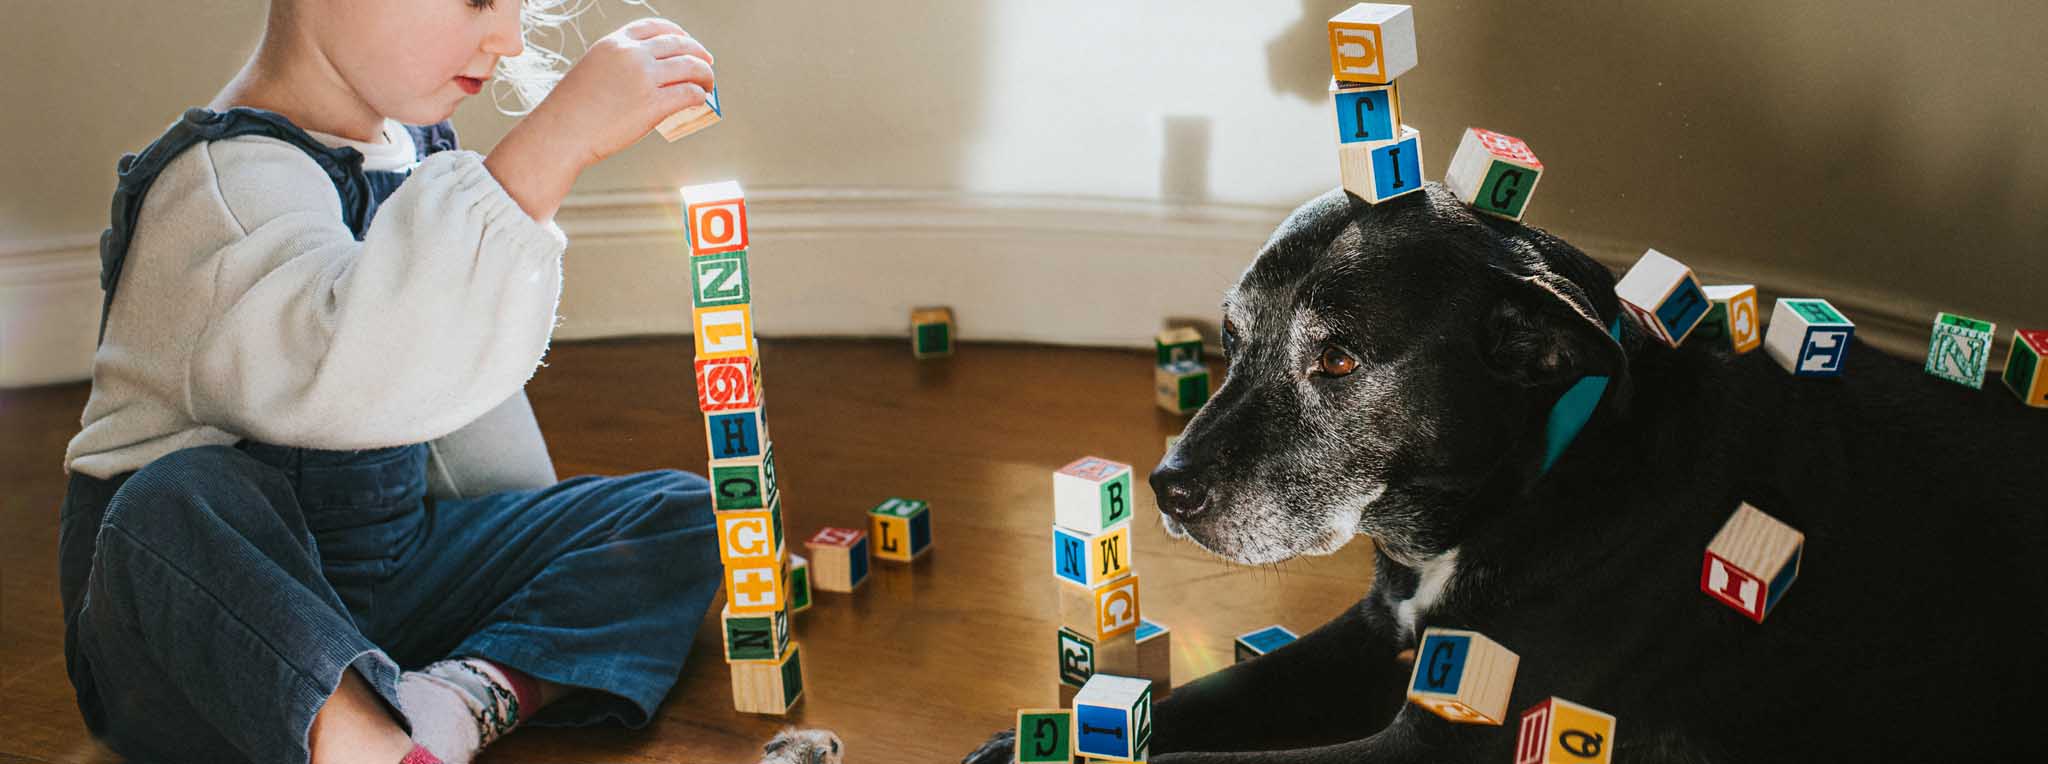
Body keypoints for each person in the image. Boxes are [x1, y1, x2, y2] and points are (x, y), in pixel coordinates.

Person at [56, 1, 723, 762]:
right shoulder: (223, 183)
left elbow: (450, 391)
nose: (507, 38)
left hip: (388, 580)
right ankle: (367, 745)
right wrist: (550, 147)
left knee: (686, 512)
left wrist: (546, 551)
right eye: (476, 0)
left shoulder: (409, 151)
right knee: (172, 501)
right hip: (198, 634)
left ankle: (454, 700)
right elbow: (346, 373)